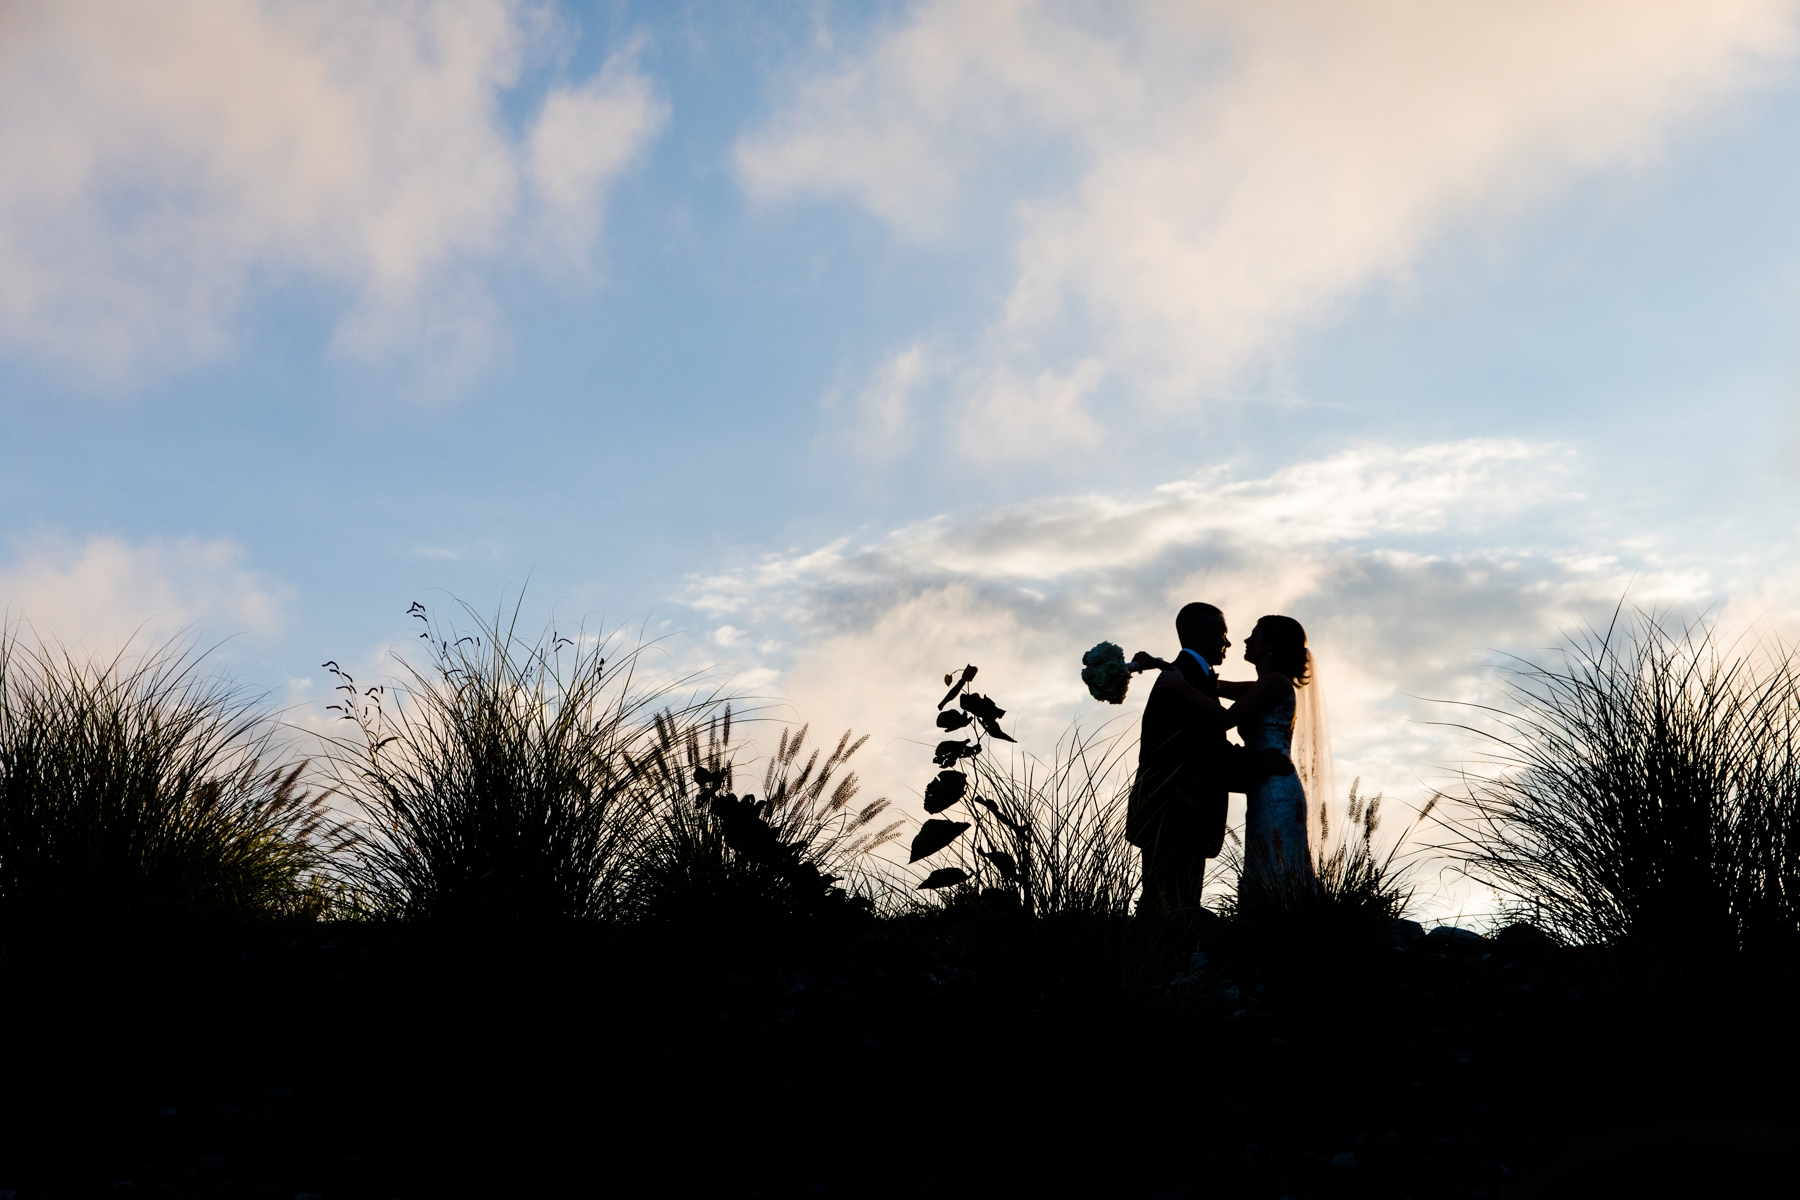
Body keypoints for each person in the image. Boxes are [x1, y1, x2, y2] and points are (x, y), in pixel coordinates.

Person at [1127, 602, 1294, 912]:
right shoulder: (1184, 679)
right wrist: (1258, 764)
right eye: (1224, 634)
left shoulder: (1188, 678)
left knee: (1172, 908)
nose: (1230, 643)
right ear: (1205, 633)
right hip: (1174, 812)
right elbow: (1203, 751)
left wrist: (1160, 664)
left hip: (1182, 812)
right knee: (1168, 909)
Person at [1223, 615, 1319, 888]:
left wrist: (1180, 687)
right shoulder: (1267, 684)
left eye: (1255, 634)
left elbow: (1223, 721)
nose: (1246, 639)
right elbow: (1215, 686)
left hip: (1275, 789)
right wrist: (1164, 666)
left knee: (1275, 863)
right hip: (1266, 782)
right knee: (1267, 858)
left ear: (1271, 645)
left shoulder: (1274, 683)